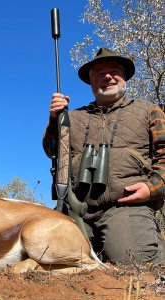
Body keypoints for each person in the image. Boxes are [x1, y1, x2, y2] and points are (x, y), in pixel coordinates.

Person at [43, 47, 165, 264]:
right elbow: (52, 150)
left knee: (136, 262)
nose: (107, 76)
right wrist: (55, 119)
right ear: (91, 82)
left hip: (125, 207)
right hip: (76, 209)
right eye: (100, 73)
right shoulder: (73, 117)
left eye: (114, 71)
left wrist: (152, 187)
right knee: (44, 254)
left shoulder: (149, 110)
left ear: (124, 78)